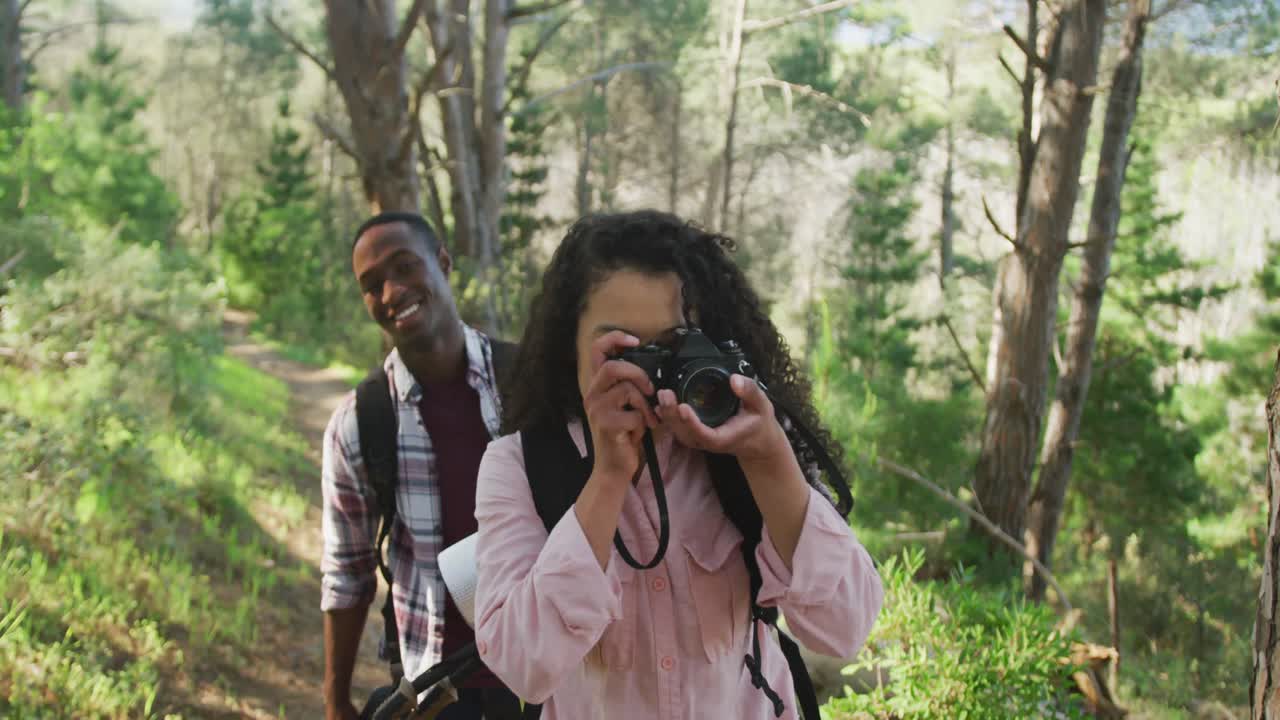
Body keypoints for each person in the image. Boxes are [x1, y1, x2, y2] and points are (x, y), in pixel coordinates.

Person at [471, 210, 883, 719]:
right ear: (567, 347)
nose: (647, 375)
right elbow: (521, 666)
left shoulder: (748, 444)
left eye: (671, 348)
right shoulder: (518, 466)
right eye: (622, 349)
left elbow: (846, 628)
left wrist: (770, 459)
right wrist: (606, 481)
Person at [320, 212, 520, 720]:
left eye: (405, 267)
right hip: (434, 689)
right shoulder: (361, 422)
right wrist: (335, 699)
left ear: (443, 262)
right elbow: (349, 574)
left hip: (548, 678)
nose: (390, 292)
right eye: (371, 286)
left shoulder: (528, 383)